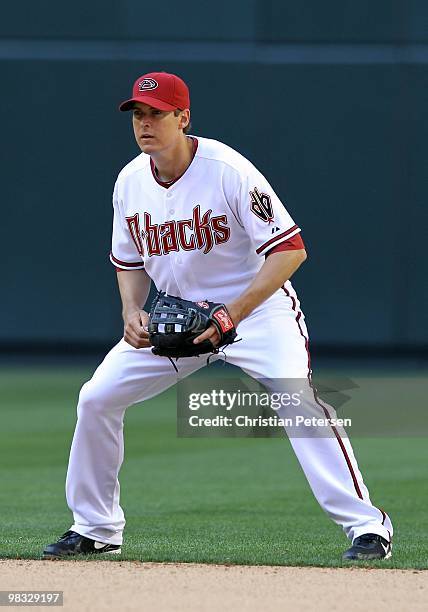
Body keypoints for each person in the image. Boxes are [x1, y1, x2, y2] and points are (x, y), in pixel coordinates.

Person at [43, 71, 392, 561]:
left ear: (183, 117)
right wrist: (130, 309)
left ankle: (367, 528)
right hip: (179, 317)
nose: (145, 123)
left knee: (299, 402)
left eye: (157, 113)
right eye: (139, 114)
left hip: (257, 313)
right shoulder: (129, 181)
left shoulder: (227, 169)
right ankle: (96, 528)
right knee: (97, 398)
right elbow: (128, 261)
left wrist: (235, 312)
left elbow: (290, 251)